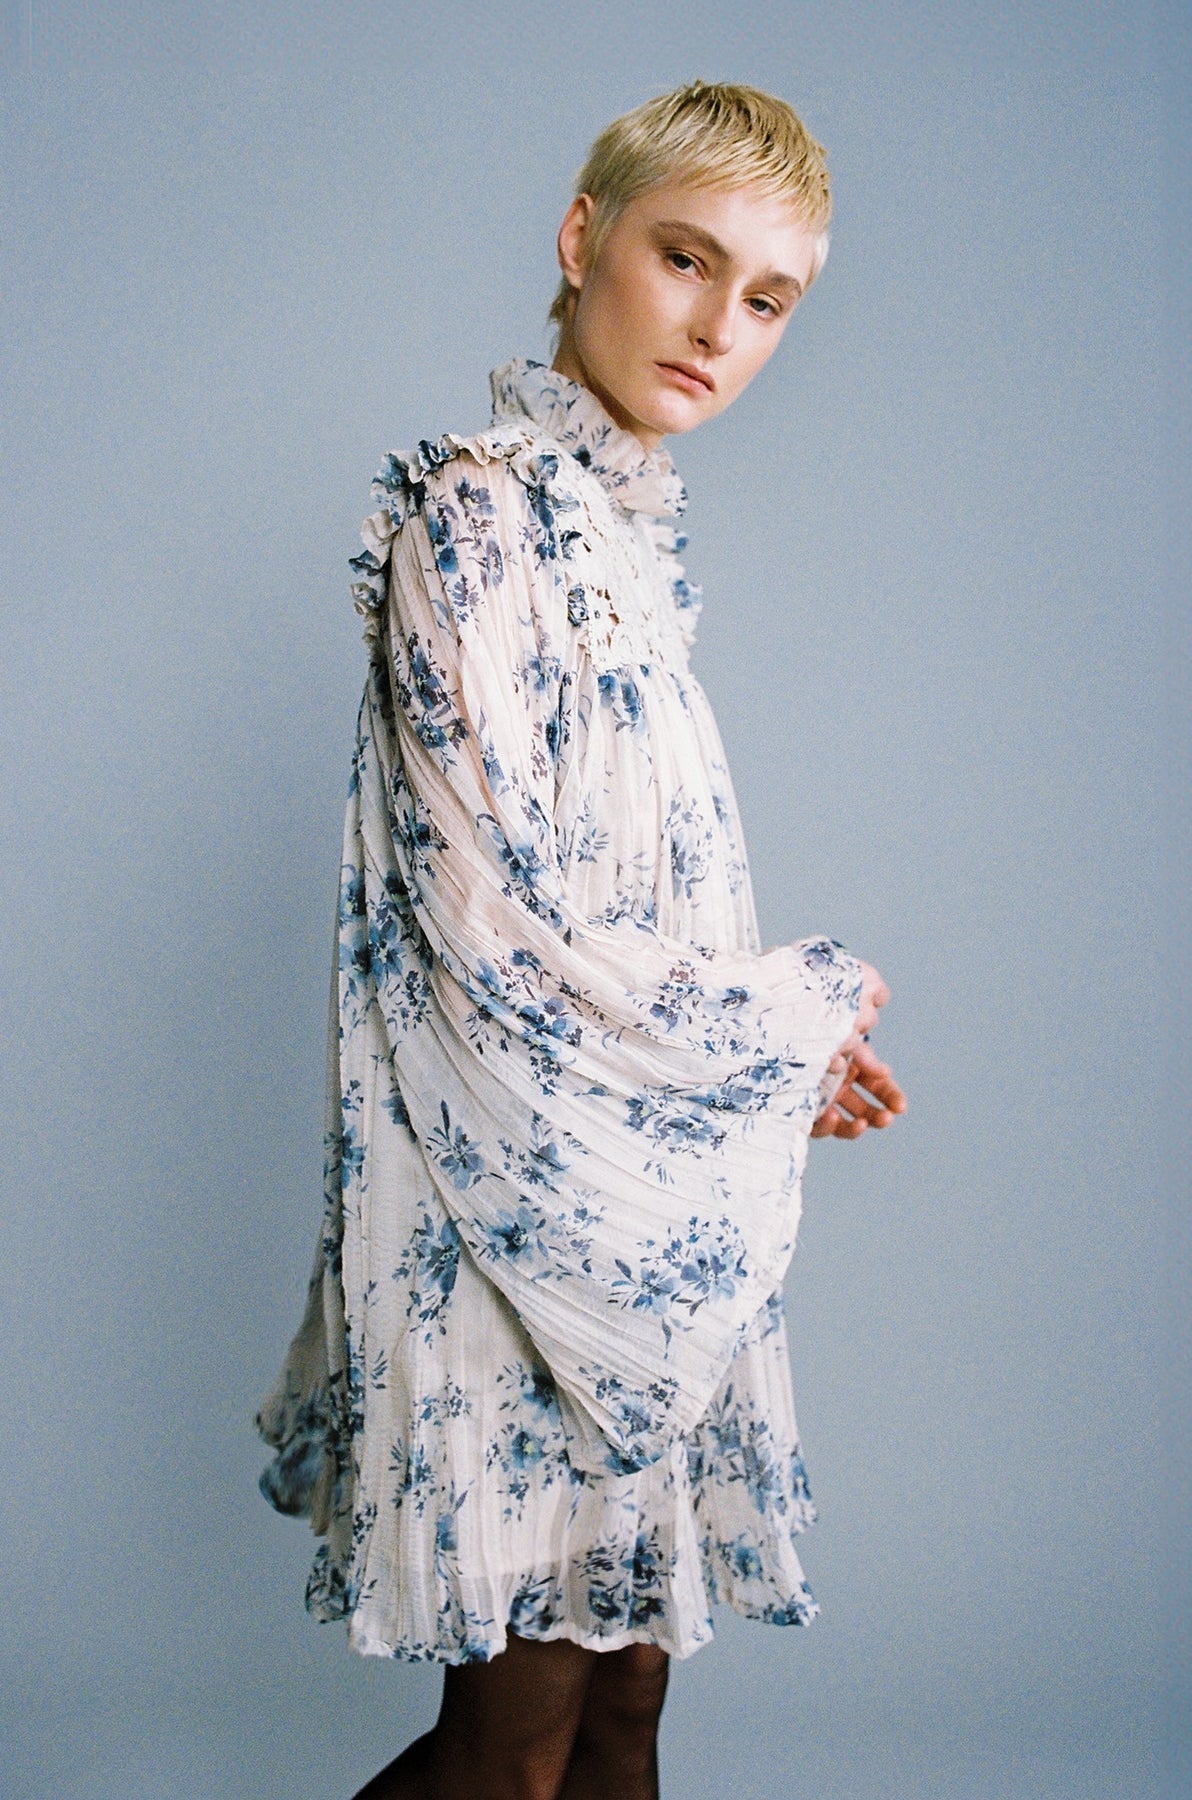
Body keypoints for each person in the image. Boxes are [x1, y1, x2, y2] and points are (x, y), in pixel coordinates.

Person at [256, 79, 906, 1800]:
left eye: (768, 299)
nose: (718, 326)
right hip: (507, 1227)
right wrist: (784, 1009)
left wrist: (755, 1073)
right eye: (685, 259)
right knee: (519, 1747)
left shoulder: (621, 537)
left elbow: (629, 898)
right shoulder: (476, 518)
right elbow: (493, 932)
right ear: (580, 238)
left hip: (629, 1208)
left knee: (624, 1710)